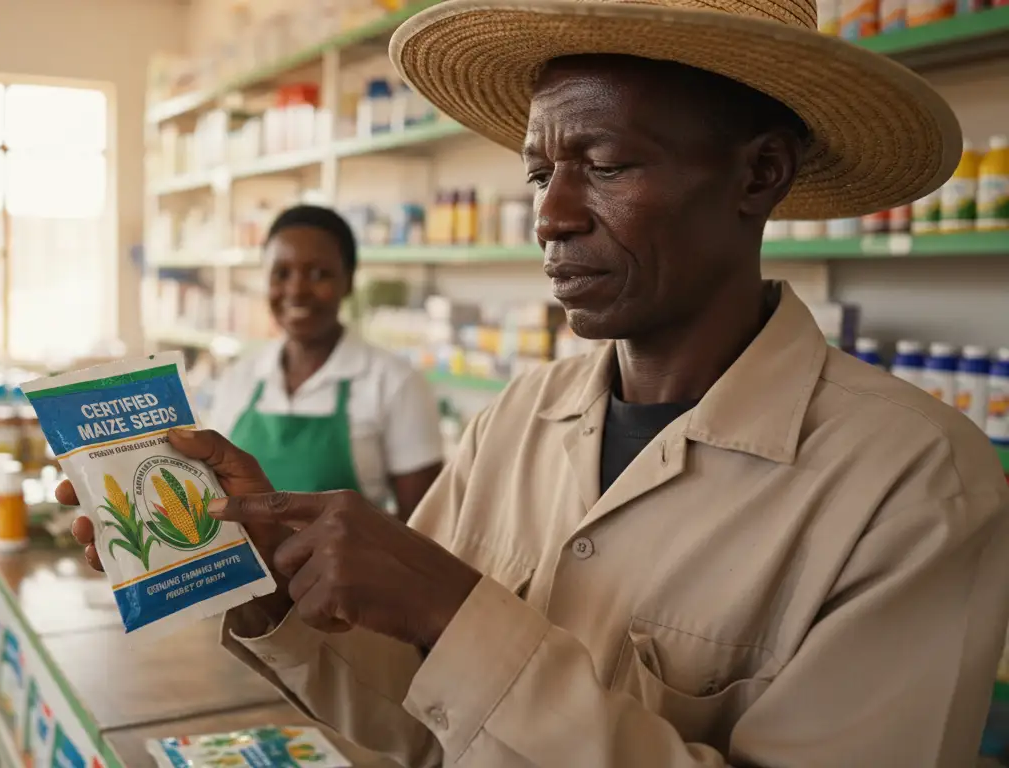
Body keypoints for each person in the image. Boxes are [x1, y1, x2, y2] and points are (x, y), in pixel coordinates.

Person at [64, 0, 1009, 765]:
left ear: (759, 174)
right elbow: (416, 729)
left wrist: (454, 611)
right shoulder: (514, 419)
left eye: (603, 165)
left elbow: (460, 655)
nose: (552, 216)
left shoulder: (916, 486)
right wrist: (259, 580)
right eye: (538, 173)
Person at [207, 204, 444, 522]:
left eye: (319, 274)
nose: (296, 290)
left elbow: (423, 530)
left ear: (348, 282)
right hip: (243, 572)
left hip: (351, 573)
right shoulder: (240, 378)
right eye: (281, 273)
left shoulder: (394, 383)